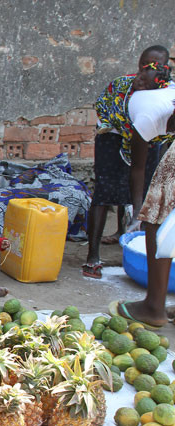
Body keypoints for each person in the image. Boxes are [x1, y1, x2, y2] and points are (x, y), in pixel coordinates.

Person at [84, 45, 172, 278]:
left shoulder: (166, 96)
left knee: (143, 190)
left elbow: (142, 169)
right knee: (106, 191)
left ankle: (129, 235)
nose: (141, 78)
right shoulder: (127, 90)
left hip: (150, 136)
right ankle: (93, 255)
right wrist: (137, 214)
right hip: (113, 135)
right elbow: (137, 169)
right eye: (143, 66)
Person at [110, 86, 175, 327]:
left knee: (159, 215)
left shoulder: (148, 115)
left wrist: (140, 212)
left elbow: (138, 167)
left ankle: (153, 306)